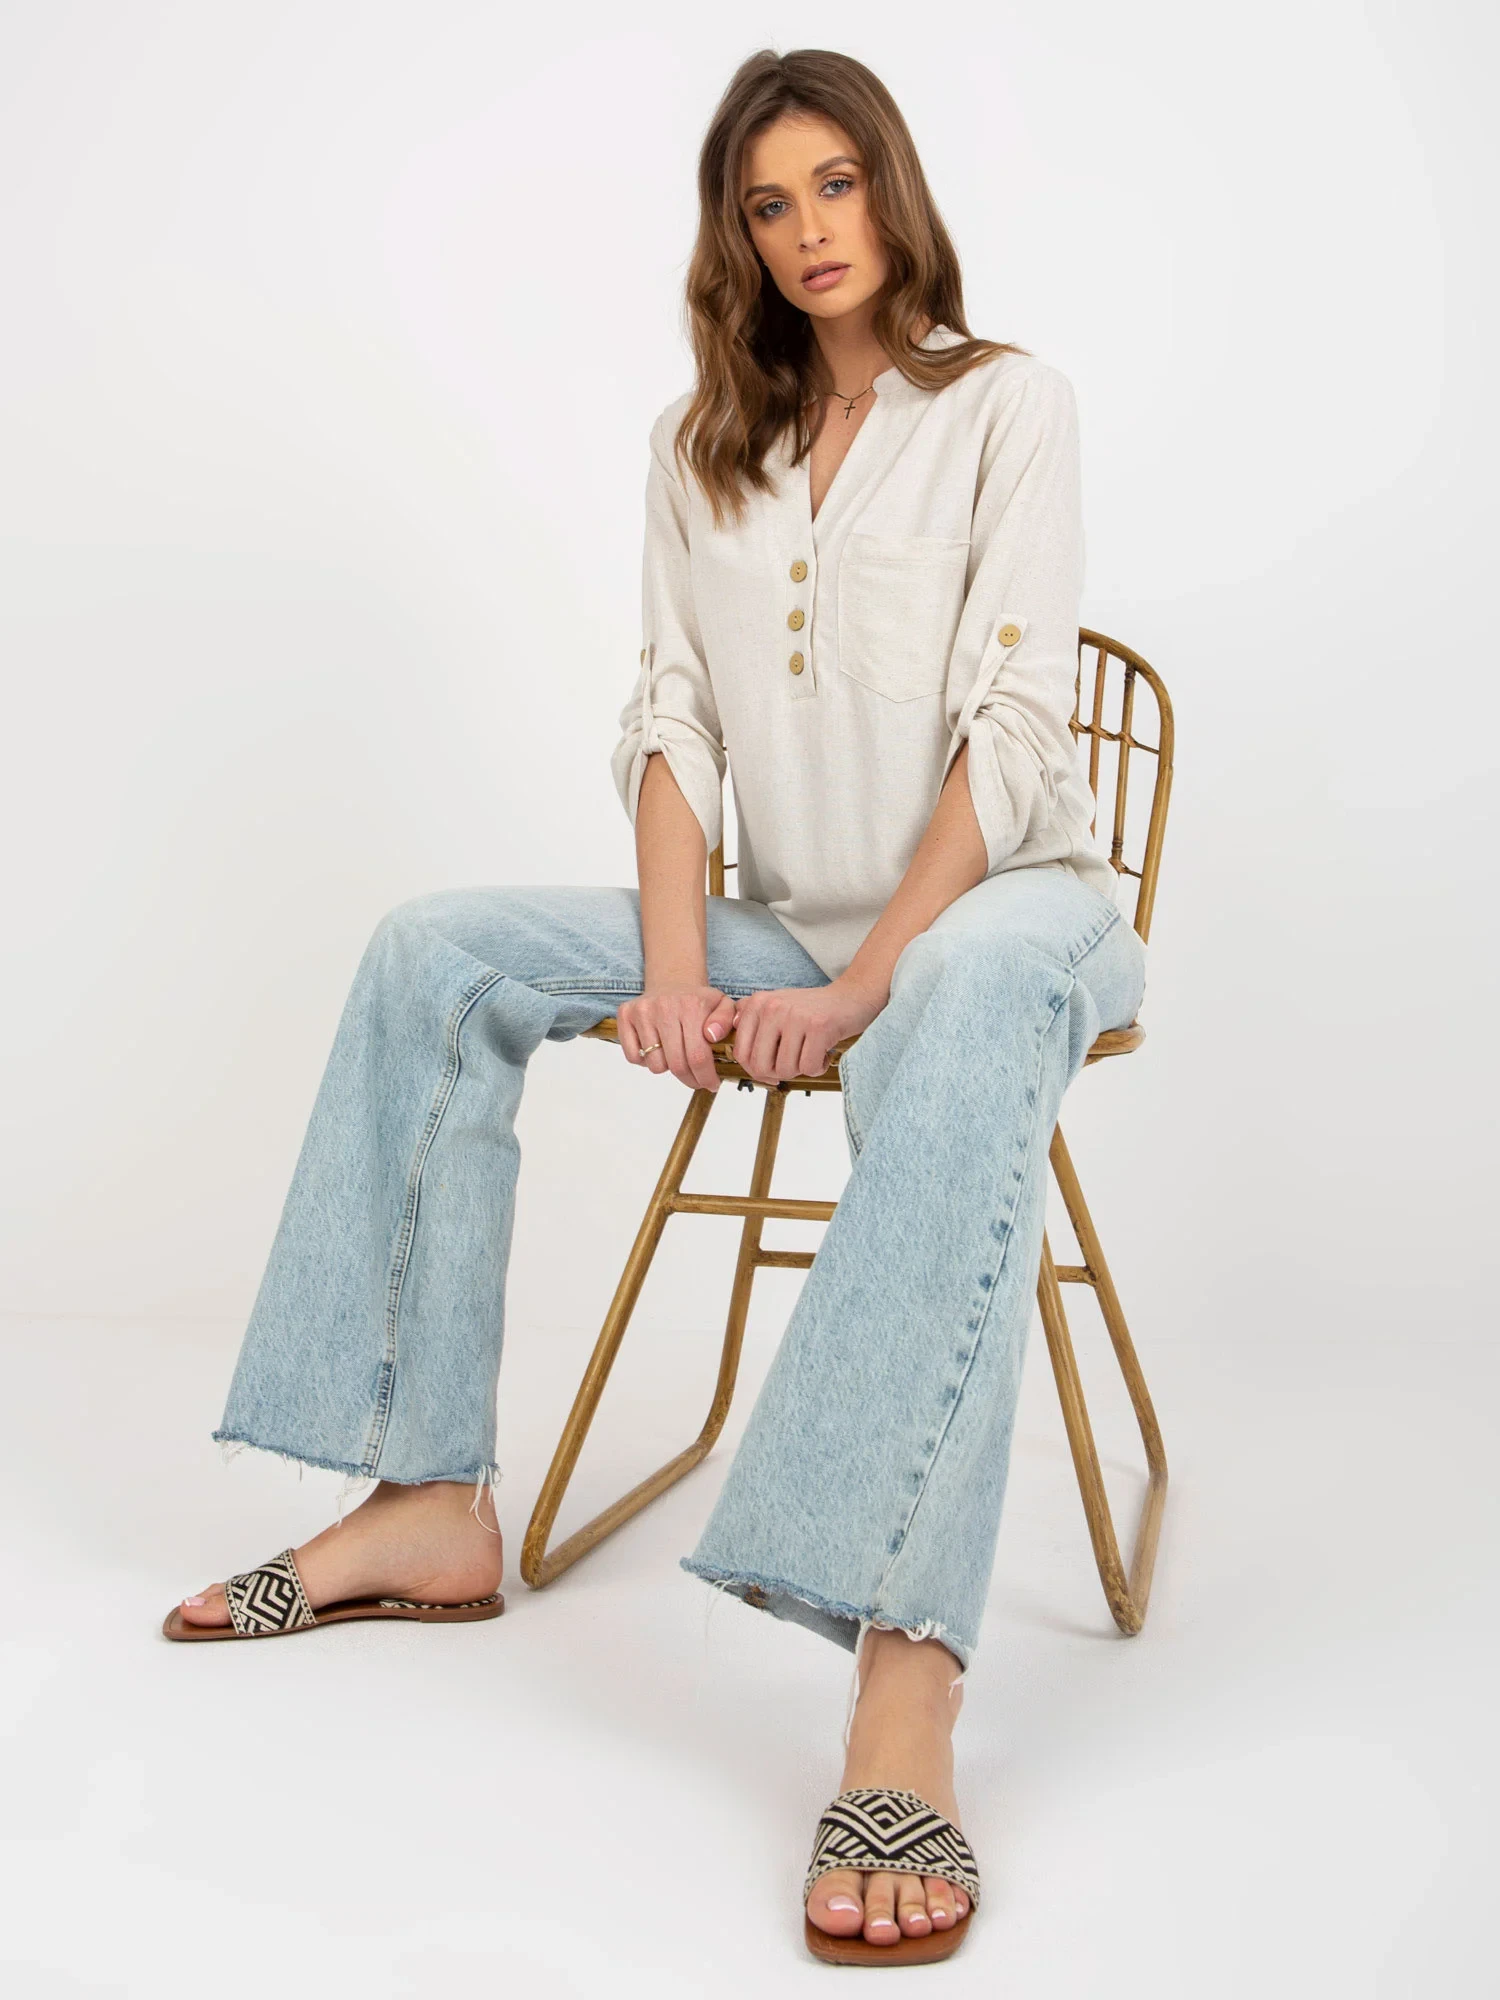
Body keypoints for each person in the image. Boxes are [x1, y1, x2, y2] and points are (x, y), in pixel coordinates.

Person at [162, 46, 1146, 1968]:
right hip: (791, 927)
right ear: (736, 237)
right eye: (769, 205)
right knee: (434, 947)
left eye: (836, 185)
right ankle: (426, 1495)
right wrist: (687, 973)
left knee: (954, 1006)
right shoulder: (704, 447)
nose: (809, 232)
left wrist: (862, 987)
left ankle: (905, 1673)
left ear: (894, 188)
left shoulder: (1008, 407)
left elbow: (1020, 731)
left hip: (1010, 913)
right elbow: (675, 719)